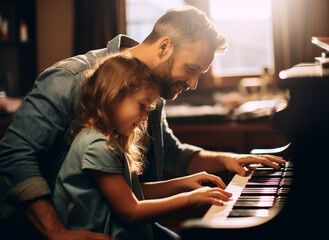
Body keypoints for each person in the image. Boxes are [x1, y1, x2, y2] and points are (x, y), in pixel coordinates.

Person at [0, 5, 285, 240]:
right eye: (191, 69)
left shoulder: (151, 91)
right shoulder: (72, 78)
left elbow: (171, 153)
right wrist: (57, 232)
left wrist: (227, 159)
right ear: (164, 46)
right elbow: (14, 154)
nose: (194, 83)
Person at [52, 52, 232, 240]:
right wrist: (189, 199)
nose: (145, 117)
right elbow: (131, 211)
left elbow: (132, 192)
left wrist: (184, 183)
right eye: (142, 106)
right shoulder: (96, 146)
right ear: (114, 96)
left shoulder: (105, 140)